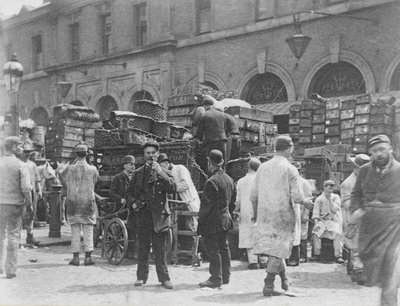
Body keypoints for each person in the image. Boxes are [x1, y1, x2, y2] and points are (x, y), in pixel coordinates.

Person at [250, 135, 314, 296]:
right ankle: (269, 283)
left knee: (276, 250)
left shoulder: (262, 167)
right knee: (279, 250)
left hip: (265, 215)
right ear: (289, 149)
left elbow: (254, 195)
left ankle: (285, 282)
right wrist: (307, 202)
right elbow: (298, 197)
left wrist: (255, 214)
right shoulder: (290, 169)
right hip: (283, 215)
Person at [351, 134, 400, 306]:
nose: (378, 154)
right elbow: (356, 194)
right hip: (370, 227)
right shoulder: (364, 170)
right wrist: (356, 209)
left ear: (390, 149)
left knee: (391, 271)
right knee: (371, 264)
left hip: (394, 227)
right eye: (374, 151)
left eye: (381, 149)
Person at [126, 141, 176, 289]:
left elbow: (172, 188)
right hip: (143, 215)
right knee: (143, 247)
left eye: (153, 153)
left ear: (157, 154)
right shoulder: (138, 173)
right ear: (144, 155)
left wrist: (160, 172)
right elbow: (128, 193)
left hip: (159, 216)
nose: (150, 156)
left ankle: (164, 278)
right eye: (147, 153)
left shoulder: (165, 172)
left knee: (160, 249)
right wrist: (133, 203)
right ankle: (141, 277)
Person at [198, 149, 234, 288]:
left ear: (210, 163)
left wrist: (200, 220)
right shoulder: (229, 179)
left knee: (214, 250)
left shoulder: (211, 182)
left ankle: (215, 278)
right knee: (224, 248)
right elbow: (232, 201)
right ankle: (225, 277)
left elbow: (206, 206)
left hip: (213, 221)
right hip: (225, 219)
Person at [59, 144, 99, 266]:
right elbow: (96, 180)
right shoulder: (93, 169)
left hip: (73, 202)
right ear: (87, 154)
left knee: (75, 230)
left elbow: (60, 175)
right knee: (88, 230)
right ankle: (88, 258)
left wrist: (68, 187)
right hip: (87, 202)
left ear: (75, 155)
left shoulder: (70, 168)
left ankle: (75, 258)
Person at [0, 136, 32, 279]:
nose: (21, 149)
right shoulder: (21, 165)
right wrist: (30, 204)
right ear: (13, 147)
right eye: (19, 146)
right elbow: (26, 188)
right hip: (15, 205)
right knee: (13, 235)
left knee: (0, 235)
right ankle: (10, 270)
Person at [157, 153, 200, 255]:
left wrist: (172, 187)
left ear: (166, 163)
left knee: (189, 227)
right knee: (177, 228)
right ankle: (180, 252)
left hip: (188, 202)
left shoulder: (181, 169)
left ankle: (192, 252)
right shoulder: (165, 174)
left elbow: (185, 185)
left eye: (162, 167)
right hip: (176, 206)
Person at [340, 153, 370, 283]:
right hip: (354, 218)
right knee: (356, 246)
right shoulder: (348, 183)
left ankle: (355, 268)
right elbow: (346, 203)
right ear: (355, 168)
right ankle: (359, 273)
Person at [234, 158, 267, 269]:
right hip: (261, 210)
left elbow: (238, 200)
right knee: (261, 233)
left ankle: (253, 261)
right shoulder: (263, 180)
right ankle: (263, 259)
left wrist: (236, 210)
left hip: (246, 210)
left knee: (248, 234)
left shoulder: (241, 181)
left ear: (248, 166)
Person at [109, 155, 137, 258]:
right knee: (121, 229)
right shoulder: (118, 178)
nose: (133, 166)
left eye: (134, 164)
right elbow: (111, 192)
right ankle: (121, 250)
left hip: (132, 208)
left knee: (133, 228)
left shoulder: (135, 177)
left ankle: (131, 251)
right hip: (120, 209)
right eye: (131, 164)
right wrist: (121, 200)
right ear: (125, 166)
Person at [310, 180, 344, 264]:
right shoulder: (319, 199)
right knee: (316, 232)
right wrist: (316, 223)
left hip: (334, 221)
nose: (330, 188)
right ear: (324, 187)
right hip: (323, 221)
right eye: (328, 186)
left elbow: (335, 209)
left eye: (332, 186)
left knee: (337, 233)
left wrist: (329, 199)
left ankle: (338, 256)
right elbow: (315, 213)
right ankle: (317, 254)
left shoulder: (336, 197)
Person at [287, 162, 313, 266]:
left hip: (302, 210)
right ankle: (295, 256)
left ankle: (302, 256)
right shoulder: (290, 182)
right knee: (295, 235)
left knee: (302, 235)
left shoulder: (304, 183)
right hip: (294, 212)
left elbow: (309, 199)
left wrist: (306, 214)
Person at [195, 95, 228, 163]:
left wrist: (199, 140)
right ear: (212, 105)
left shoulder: (204, 115)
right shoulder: (222, 114)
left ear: (204, 106)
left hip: (211, 141)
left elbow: (199, 133)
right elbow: (225, 128)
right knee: (222, 161)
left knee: (211, 161)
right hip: (223, 141)